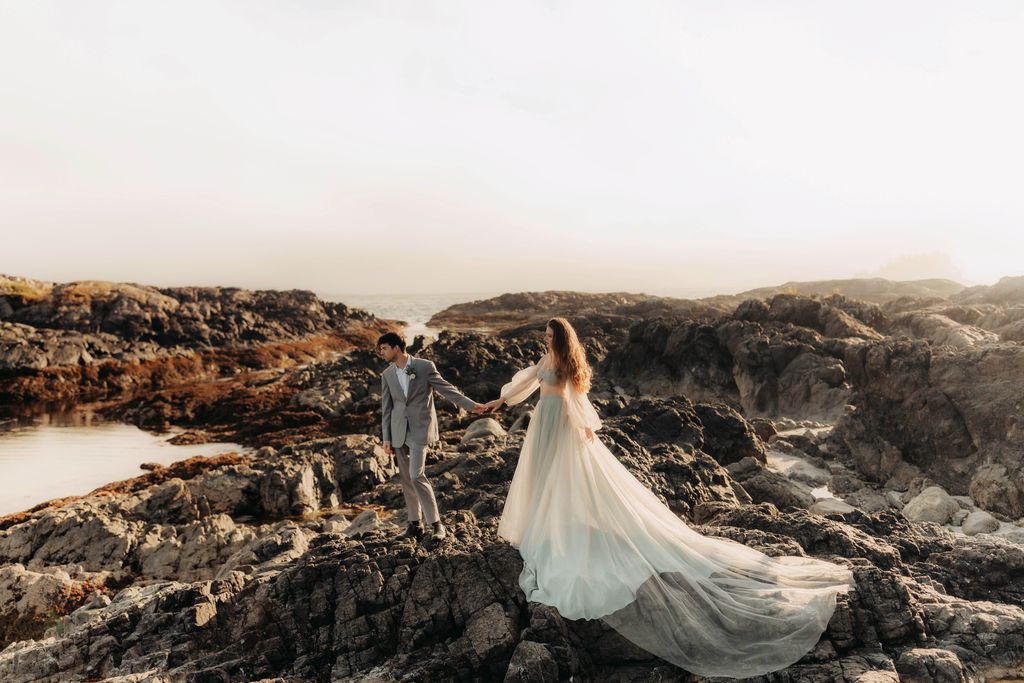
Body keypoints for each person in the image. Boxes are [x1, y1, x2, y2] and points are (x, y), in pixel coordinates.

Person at [479, 317, 856, 679]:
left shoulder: (567, 362)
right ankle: (546, 527)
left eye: (549, 335)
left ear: (561, 338)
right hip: (542, 422)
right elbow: (523, 386)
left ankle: (555, 530)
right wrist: (493, 405)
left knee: (559, 480)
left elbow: (579, 402)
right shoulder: (545, 361)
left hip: (560, 423)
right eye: (544, 335)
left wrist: (584, 431)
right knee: (542, 477)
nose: (545, 339)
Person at [377, 331, 487, 542]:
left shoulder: (424, 367)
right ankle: (414, 524)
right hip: (398, 430)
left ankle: (436, 524)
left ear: (396, 348)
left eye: (384, 348)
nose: (381, 353)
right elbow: (387, 408)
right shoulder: (387, 375)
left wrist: (471, 406)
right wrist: (386, 438)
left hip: (420, 429)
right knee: (407, 479)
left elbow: (447, 389)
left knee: (417, 475)